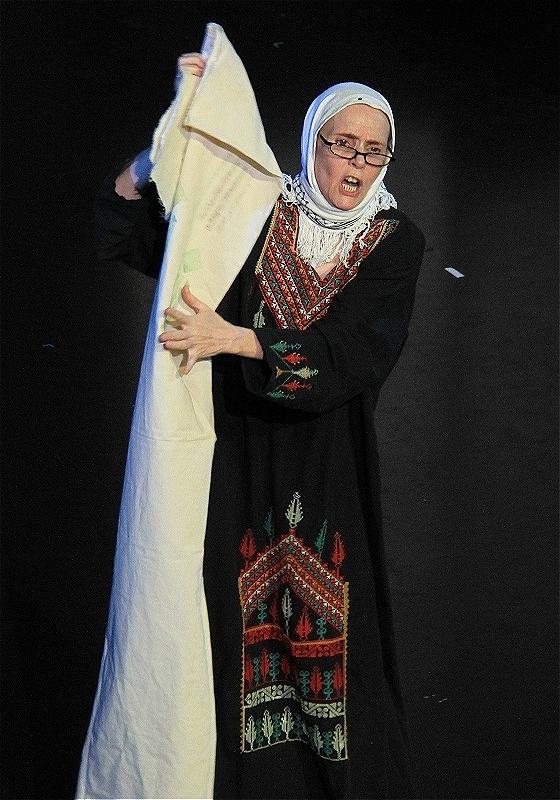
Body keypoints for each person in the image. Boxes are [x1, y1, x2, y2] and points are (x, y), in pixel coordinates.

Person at [89, 49, 425, 800]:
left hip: (326, 469)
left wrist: (237, 339)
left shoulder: (395, 240)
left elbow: (353, 355)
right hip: (233, 458)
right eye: (343, 144)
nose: (356, 165)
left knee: (329, 652)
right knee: (223, 636)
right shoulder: (257, 212)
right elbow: (139, 235)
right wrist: (170, 140)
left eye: (373, 152)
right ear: (312, 141)